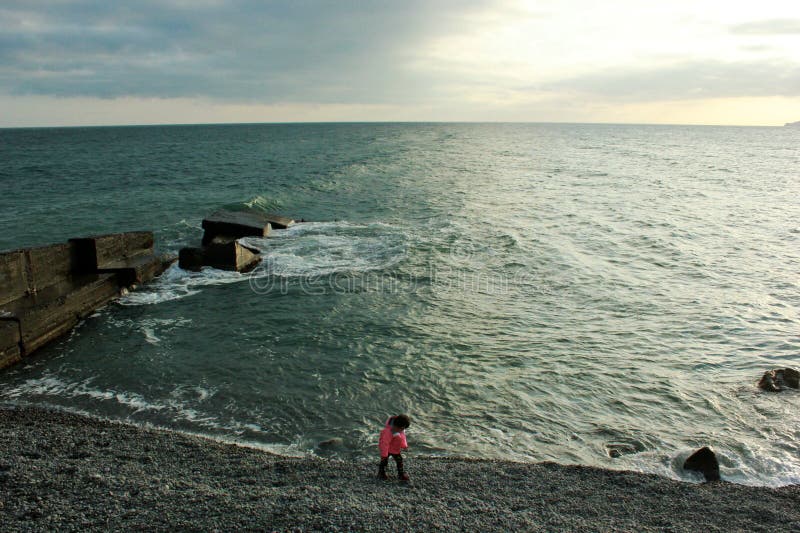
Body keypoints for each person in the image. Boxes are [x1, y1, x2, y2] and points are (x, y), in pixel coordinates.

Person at [377, 414, 411, 481]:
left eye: (403, 429)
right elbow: (384, 444)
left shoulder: (400, 430)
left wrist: (404, 446)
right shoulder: (388, 432)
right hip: (387, 450)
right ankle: (381, 473)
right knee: (384, 462)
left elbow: (402, 439)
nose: (402, 430)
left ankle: (401, 474)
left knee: (399, 461)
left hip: (395, 450)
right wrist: (384, 454)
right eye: (402, 428)